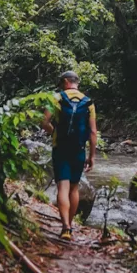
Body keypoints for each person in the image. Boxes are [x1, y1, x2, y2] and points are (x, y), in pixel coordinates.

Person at [42, 70, 97, 241]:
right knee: (74, 188)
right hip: (79, 150)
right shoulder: (89, 103)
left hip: (61, 148)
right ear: (76, 82)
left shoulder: (57, 98)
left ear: (65, 82)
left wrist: (54, 133)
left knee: (62, 188)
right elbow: (93, 132)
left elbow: (44, 122)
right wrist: (92, 156)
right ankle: (70, 225)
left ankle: (65, 227)